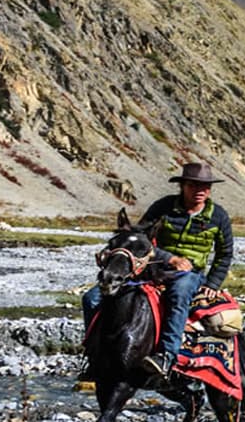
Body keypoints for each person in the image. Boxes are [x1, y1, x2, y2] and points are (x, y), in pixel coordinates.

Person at [82, 162, 234, 378]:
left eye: (205, 187)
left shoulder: (218, 216)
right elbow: (141, 240)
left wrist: (212, 284)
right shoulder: (163, 207)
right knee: (92, 298)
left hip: (190, 274)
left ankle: (166, 355)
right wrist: (169, 258)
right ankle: (94, 353)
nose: (200, 191)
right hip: (153, 268)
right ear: (182, 186)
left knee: (179, 294)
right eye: (194, 185)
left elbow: (225, 253)